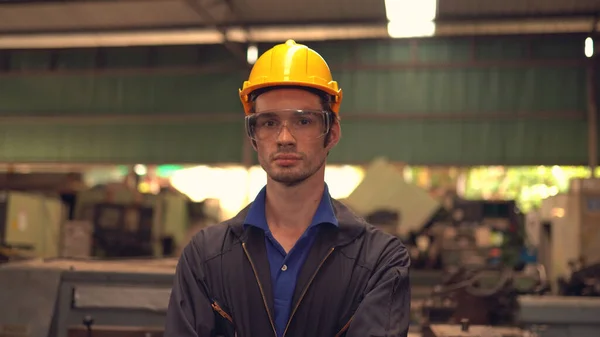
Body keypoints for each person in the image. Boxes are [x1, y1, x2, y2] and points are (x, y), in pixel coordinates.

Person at [165, 39, 411, 337]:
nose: (284, 137)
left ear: (331, 133)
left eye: (303, 120)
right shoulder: (205, 257)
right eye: (268, 122)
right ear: (253, 136)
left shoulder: (380, 261)